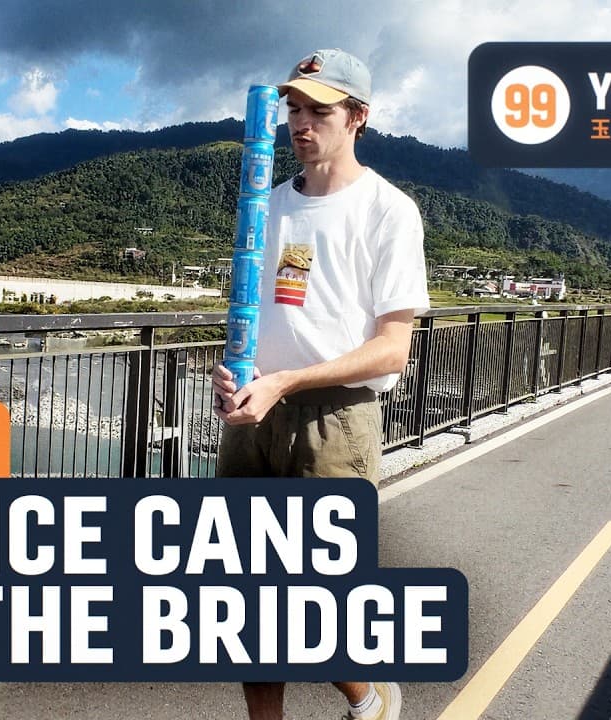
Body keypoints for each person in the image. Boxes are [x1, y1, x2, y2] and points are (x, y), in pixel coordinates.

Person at [212, 48, 430, 720]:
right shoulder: (267, 206)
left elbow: (392, 347)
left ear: (358, 118)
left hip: (334, 423)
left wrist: (290, 379)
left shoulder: (387, 211)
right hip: (255, 417)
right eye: (294, 108)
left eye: (319, 110)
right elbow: (261, 309)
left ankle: (366, 697)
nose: (300, 123)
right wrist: (237, 374)